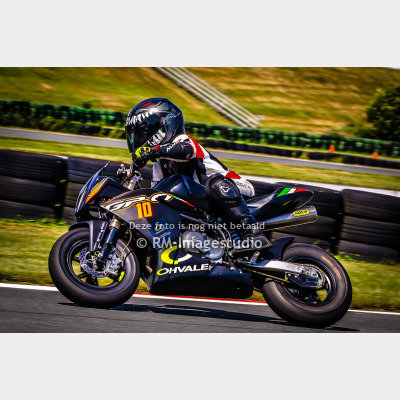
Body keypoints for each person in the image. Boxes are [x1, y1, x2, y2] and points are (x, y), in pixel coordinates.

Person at [125, 97, 269, 250]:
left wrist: (153, 150)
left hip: (235, 189)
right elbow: (156, 196)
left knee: (215, 183)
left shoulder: (183, 141)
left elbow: (185, 151)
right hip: (205, 205)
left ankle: (253, 233)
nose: (139, 139)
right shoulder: (159, 166)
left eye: (142, 133)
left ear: (163, 126)